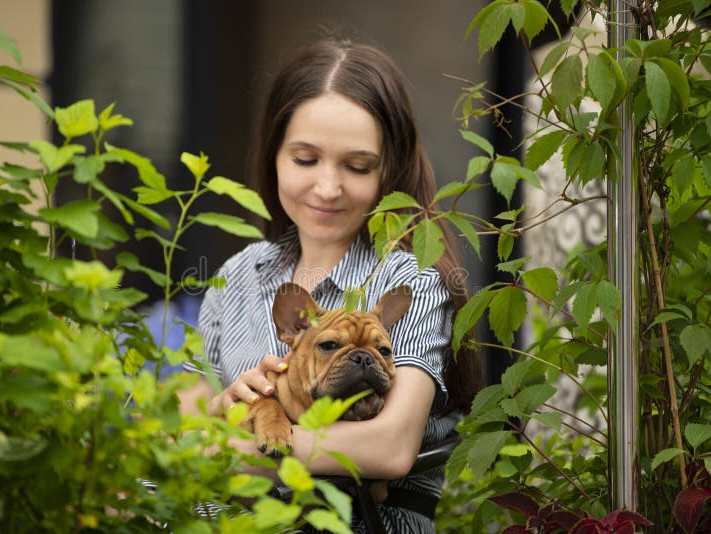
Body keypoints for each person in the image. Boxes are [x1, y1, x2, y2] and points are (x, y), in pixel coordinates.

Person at [179, 37, 483, 533]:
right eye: (304, 160)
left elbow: (388, 448)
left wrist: (221, 449)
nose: (327, 188)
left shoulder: (409, 281)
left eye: (357, 166)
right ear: (274, 155)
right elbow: (179, 420)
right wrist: (222, 405)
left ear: (390, 169)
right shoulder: (238, 275)